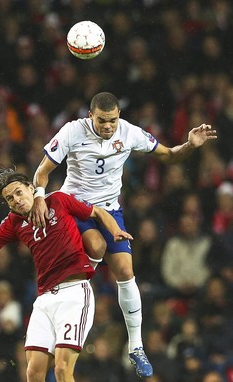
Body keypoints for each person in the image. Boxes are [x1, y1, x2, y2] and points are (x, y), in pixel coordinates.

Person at [30, 92, 217, 378]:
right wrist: (41, 197)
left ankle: (135, 346)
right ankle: (67, 307)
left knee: (126, 271)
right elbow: (42, 172)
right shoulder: (72, 131)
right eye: (103, 120)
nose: (108, 126)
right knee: (96, 244)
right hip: (75, 209)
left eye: (113, 120)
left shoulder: (129, 131)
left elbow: (169, 155)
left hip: (110, 210)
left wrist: (190, 145)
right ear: (91, 115)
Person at [0, 167, 132, 382]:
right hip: (44, 300)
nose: (15, 200)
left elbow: (97, 212)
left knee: (62, 370)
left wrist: (115, 230)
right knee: (33, 374)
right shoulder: (14, 222)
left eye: (18, 192)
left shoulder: (58, 200)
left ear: (31, 188)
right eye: (9, 198)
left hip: (74, 294)